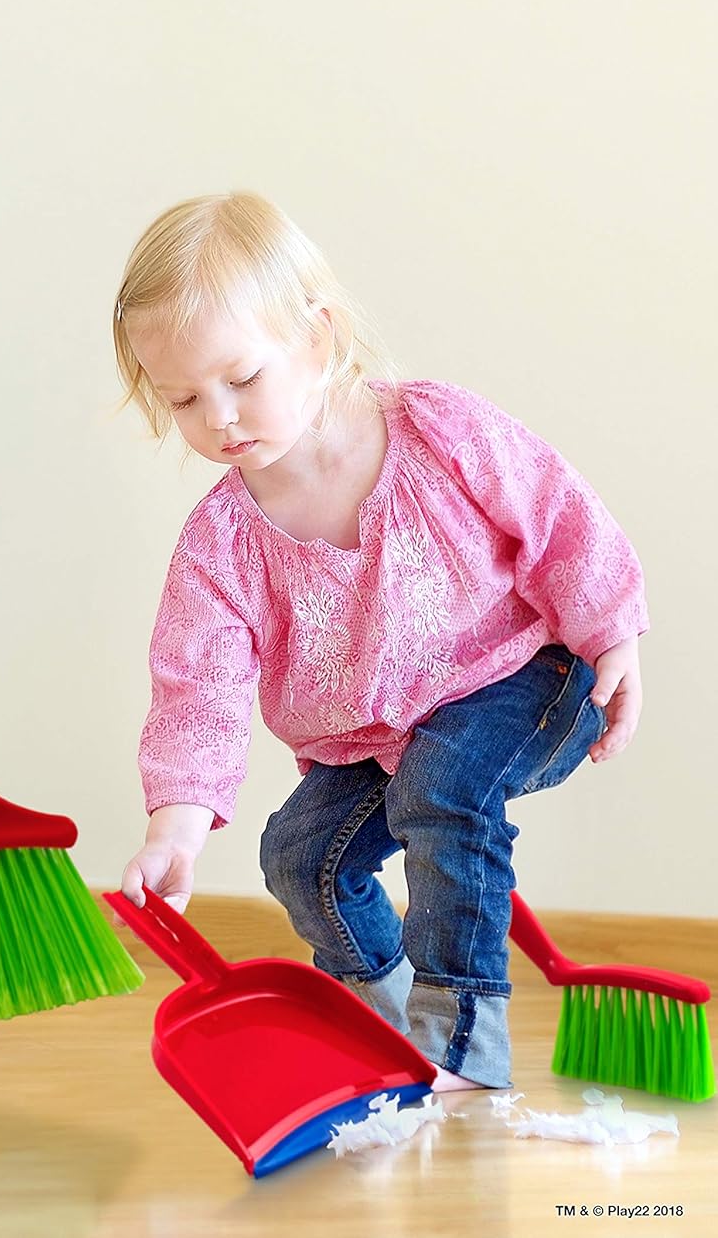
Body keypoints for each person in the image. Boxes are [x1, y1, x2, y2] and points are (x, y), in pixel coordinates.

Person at [113, 191, 645, 1090]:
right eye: (184, 401)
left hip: (526, 682)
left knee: (443, 784)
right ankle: (382, 1021)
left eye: (242, 379)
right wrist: (178, 820)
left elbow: (556, 515)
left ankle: (461, 1035)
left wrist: (613, 634)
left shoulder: (438, 432)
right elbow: (196, 684)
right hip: (368, 744)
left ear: (316, 339)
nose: (221, 419)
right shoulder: (223, 542)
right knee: (296, 857)